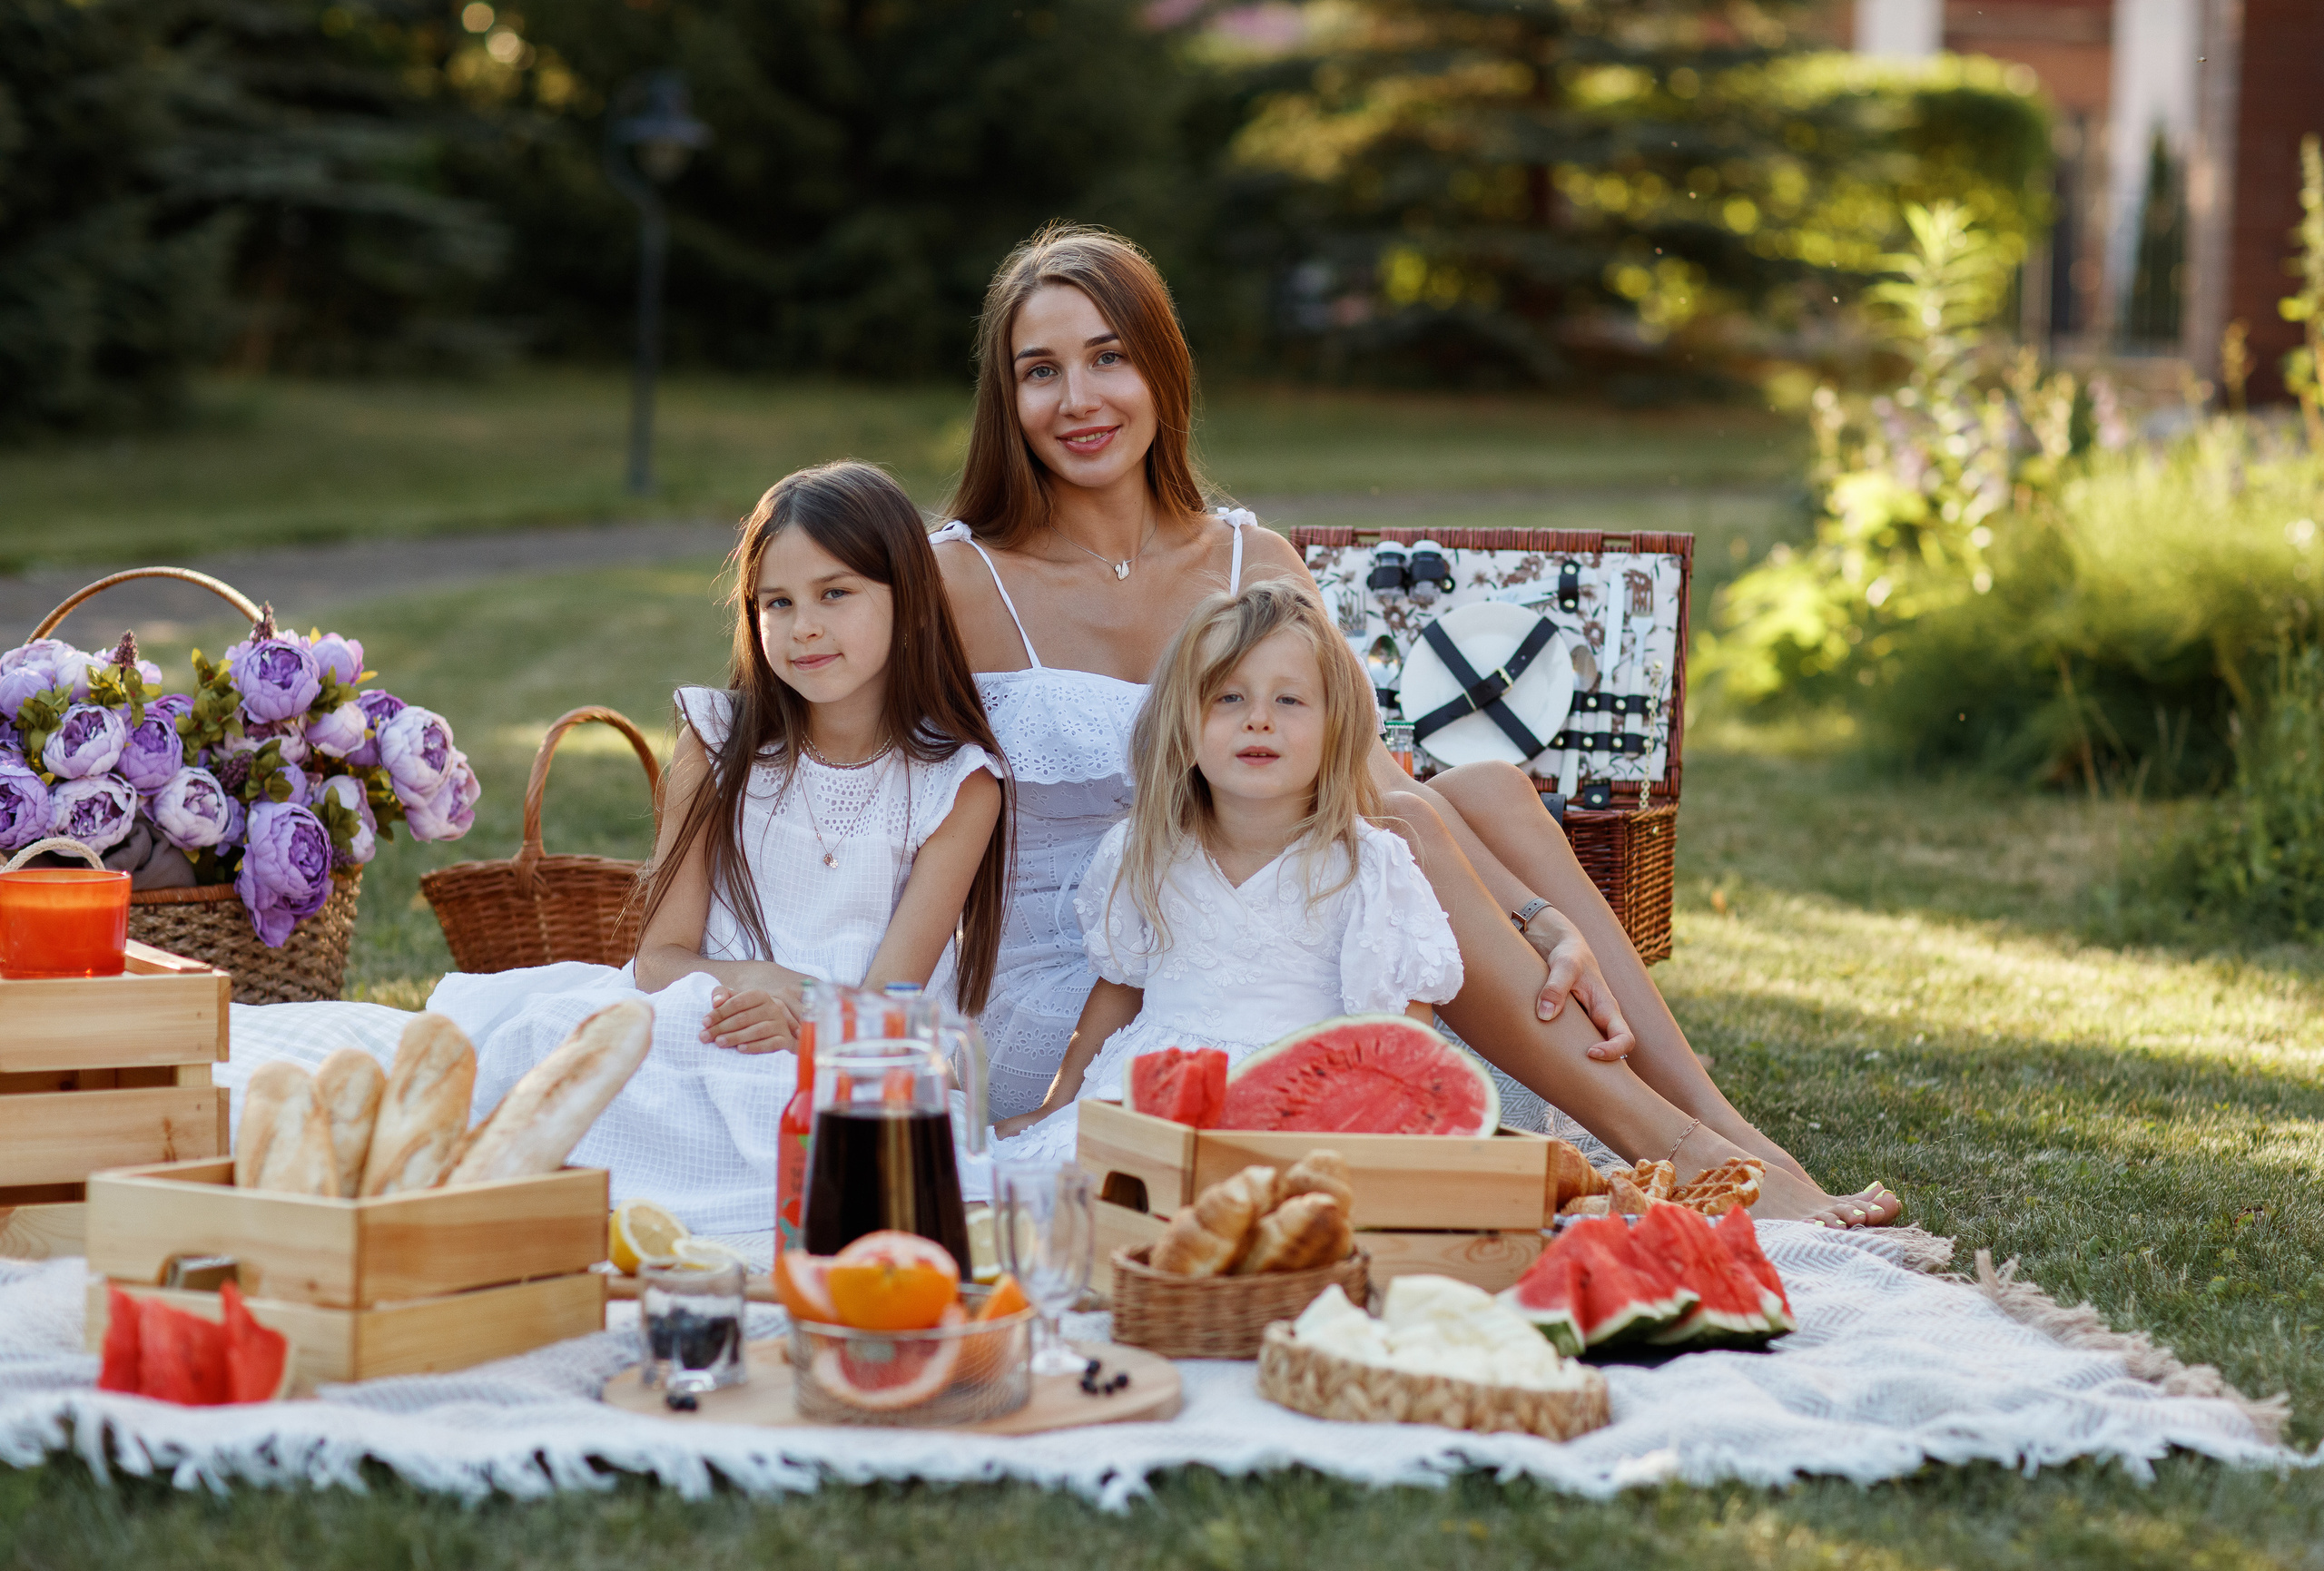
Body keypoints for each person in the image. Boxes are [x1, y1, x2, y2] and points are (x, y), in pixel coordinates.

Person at [935, 223, 1898, 1226]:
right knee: (1406, 825)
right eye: (1039, 371)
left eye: (1108, 358)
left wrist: (1538, 916)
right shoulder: (959, 578)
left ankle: (1723, 1129)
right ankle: (1680, 1150)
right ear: (1006, 402)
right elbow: (859, 781)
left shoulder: (1248, 559)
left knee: (1472, 786)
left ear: (1162, 371)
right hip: (1100, 975)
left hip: (1279, 907)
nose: (1078, 400)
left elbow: (1373, 777)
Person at [989, 581, 1462, 1159]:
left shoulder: (1367, 865)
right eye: (1228, 698)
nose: (1258, 720)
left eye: (1289, 700)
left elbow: (1405, 1018)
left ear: (1336, 727)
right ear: (1181, 724)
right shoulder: (1146, 850)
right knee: (1075, 1181)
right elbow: (1120, 988)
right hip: (1157, 1091)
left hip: (1303, 1098)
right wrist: (1059, 1106)